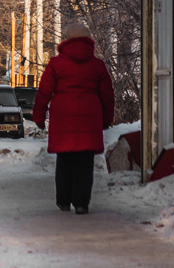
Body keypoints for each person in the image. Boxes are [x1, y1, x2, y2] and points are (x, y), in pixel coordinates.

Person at [32, 22, 115, 215]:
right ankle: (81, 203)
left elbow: (44, 93)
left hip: (63, 117)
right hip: (89, 116)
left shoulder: (56, 64)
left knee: (65, 161)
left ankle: (63, 201)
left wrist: (39, 116)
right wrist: (107, 119)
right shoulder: (98, 66)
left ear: (66, 40)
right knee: (85, 163)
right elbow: (107, 95)